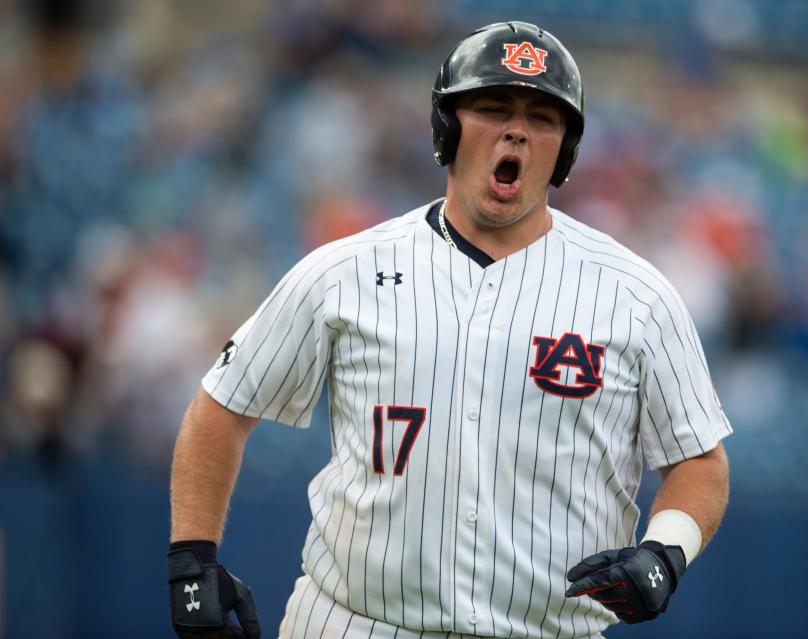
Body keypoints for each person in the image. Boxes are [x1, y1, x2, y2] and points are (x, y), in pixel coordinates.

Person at [167, 21, 731, 639]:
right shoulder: (347, 270)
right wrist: (192, 559)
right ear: (447, 127)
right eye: (493, 106)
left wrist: (666, 554)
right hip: (355, 623)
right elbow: (223, 404)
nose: (516, 128)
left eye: (543, 117)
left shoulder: (636, 296)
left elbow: (699, 460)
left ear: (565, 147)